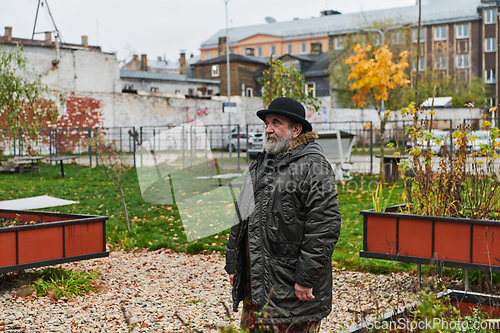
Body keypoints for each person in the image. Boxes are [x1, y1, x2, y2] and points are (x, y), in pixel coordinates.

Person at [225, 97, 341, 332]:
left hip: (291, 286)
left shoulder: (313, 166)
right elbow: (241, 217)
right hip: (256, 281)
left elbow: (325, 226)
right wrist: (234, 266)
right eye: (266, 123)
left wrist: (305, 278)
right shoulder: (260, 165)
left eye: (276, 123)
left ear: (296, 129)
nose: (268, 129)